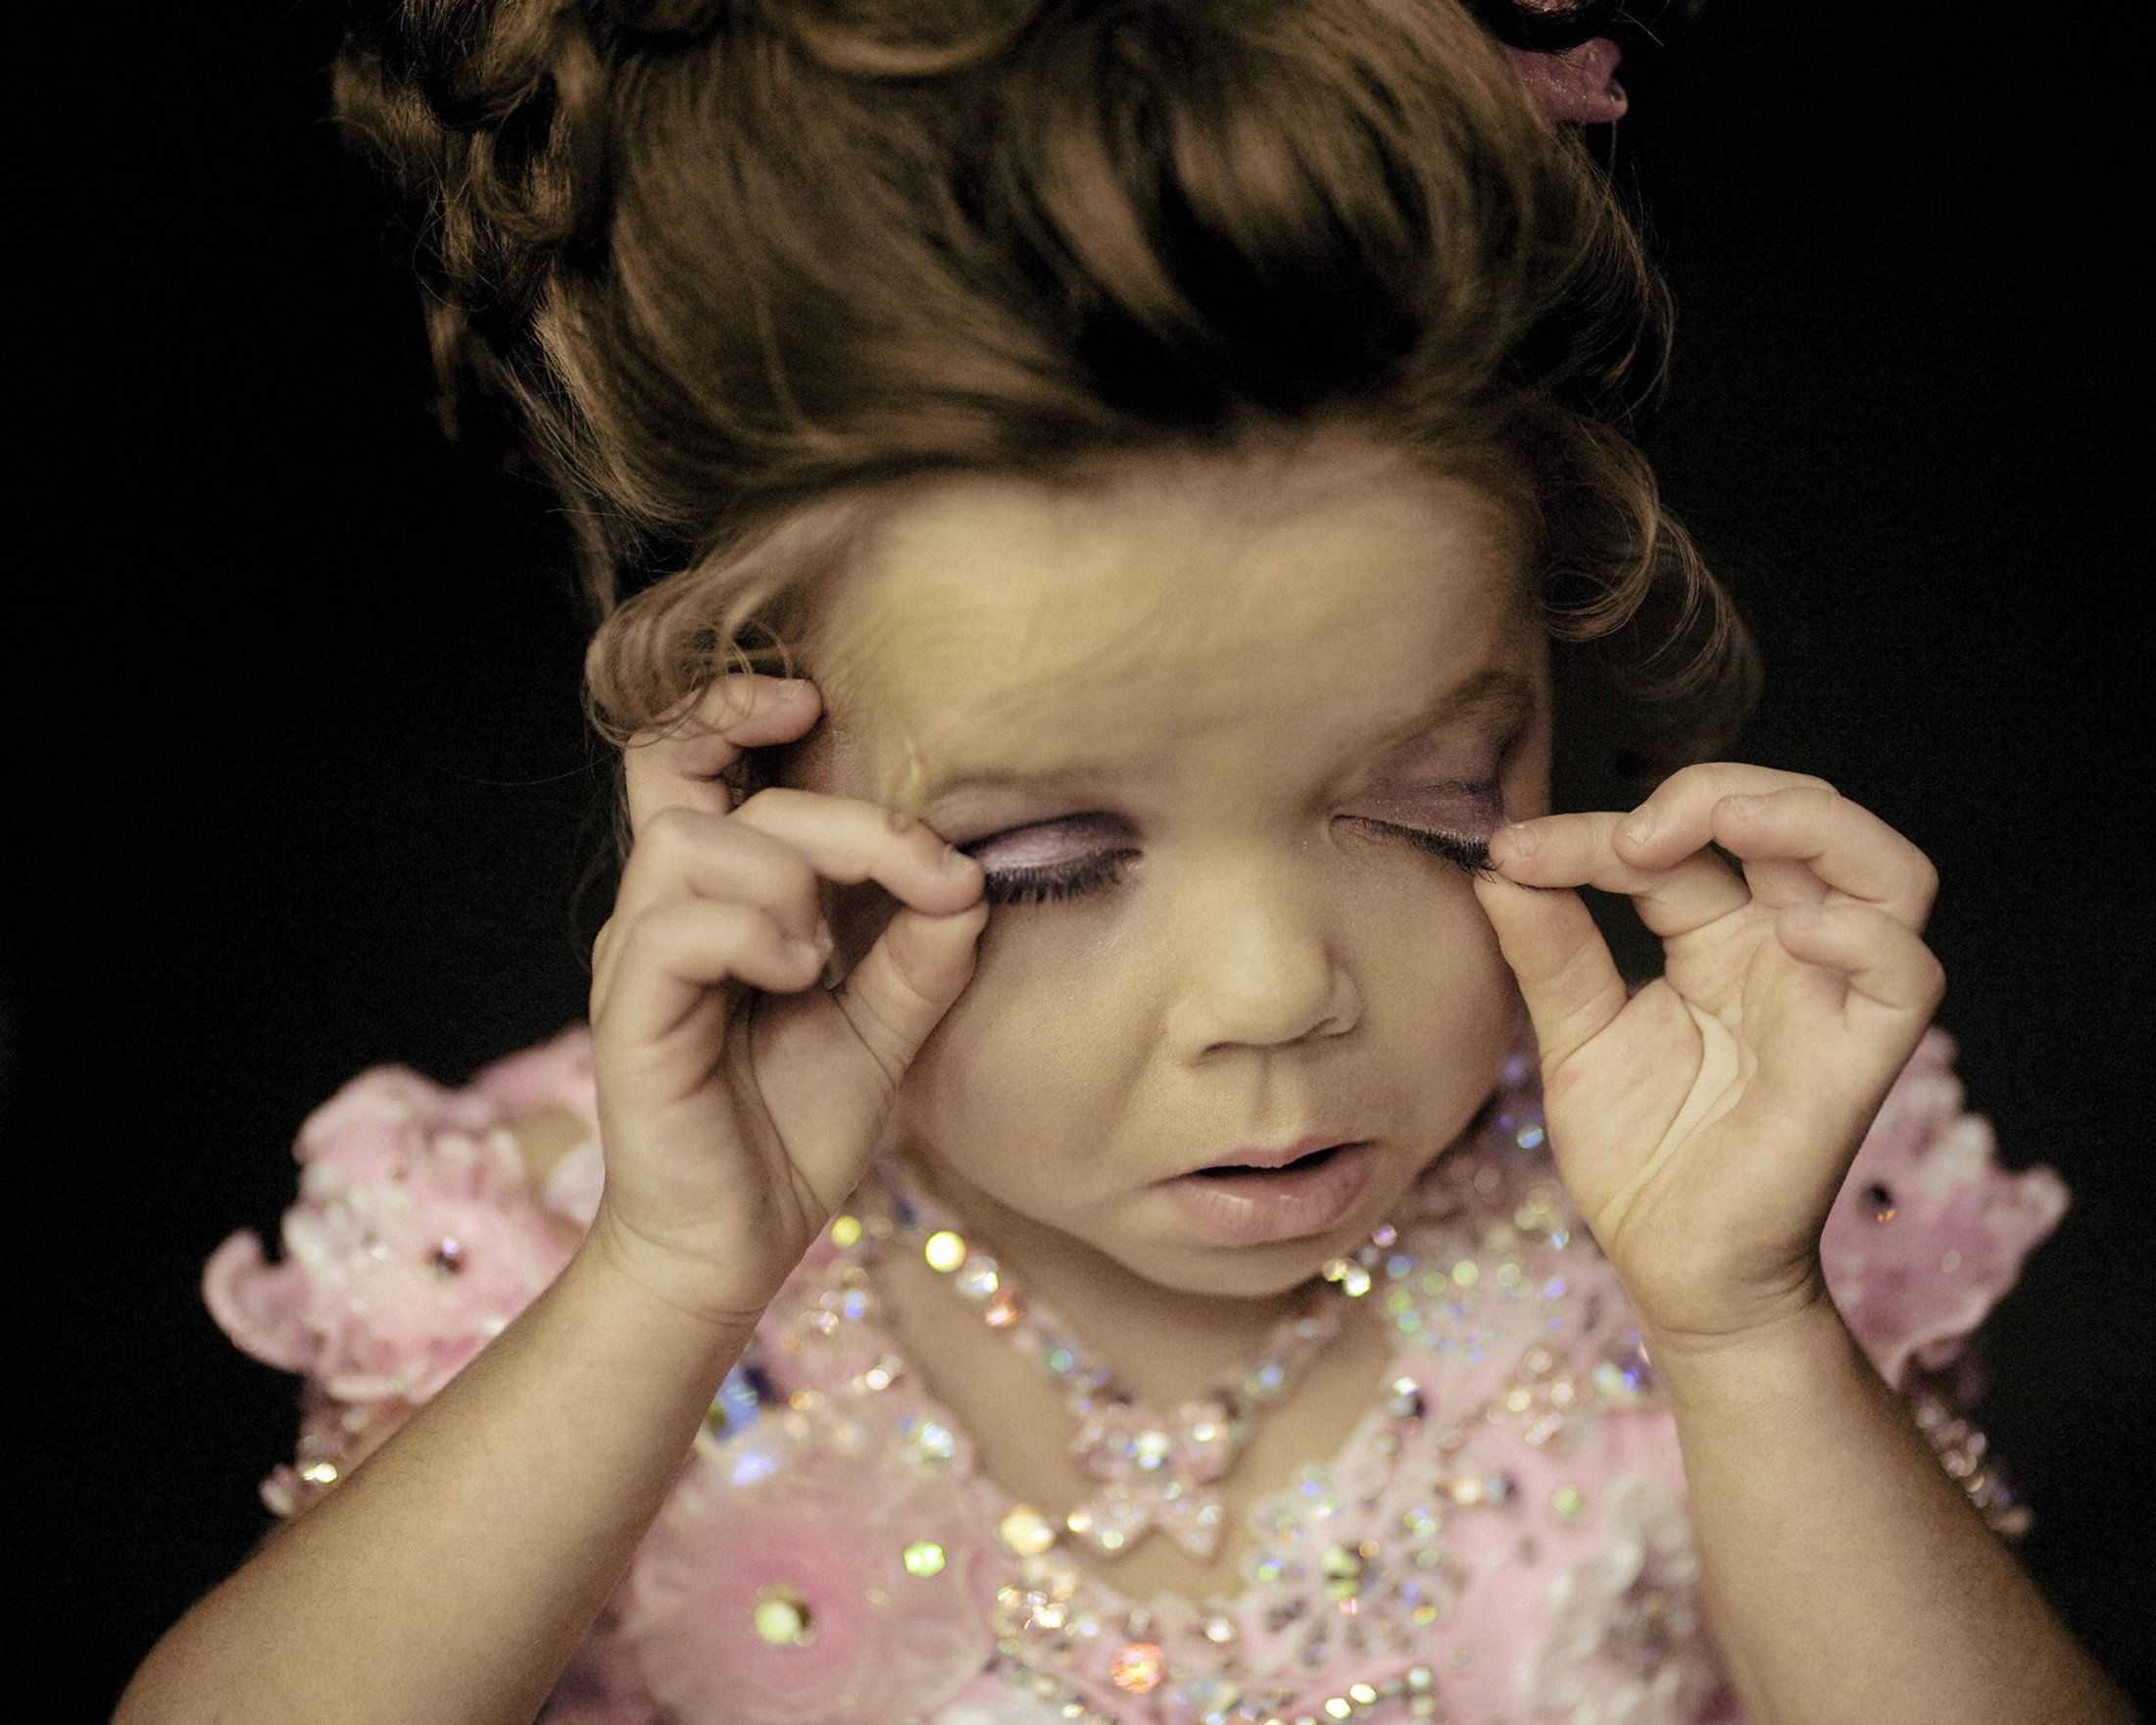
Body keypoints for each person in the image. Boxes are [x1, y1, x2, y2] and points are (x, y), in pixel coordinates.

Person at [114, 1, 2135, 1721]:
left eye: (1429, 806)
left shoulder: (1728, 1205)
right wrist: (660, 1288)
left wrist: (1748, 1330)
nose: (1275, 992)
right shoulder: (545, 1237)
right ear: (750, 784)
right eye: (1048, 862)